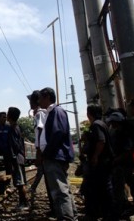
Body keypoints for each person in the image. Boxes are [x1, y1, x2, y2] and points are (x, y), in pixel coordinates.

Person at [38, 87, 77, 221]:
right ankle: (72, 216)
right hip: (55, 155)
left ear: (47, 97)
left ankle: (66, 218)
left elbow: (57, 133)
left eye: (40, 98)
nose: (38, 101)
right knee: (64, 189)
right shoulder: (52, 112)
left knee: (59, 191)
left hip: (55, 156)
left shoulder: (57, 111)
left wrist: (46, 153)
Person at [83, 104, 114, 220]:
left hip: (102, 161)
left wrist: (95, 156)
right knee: (103, 187)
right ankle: (105, 212)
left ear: (89, 113)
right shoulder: (101, 124)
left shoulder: (96, 125)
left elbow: (101, 141)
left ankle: (107, 213)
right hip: (104, 161)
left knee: (104, 187)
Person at [105, 110, 134, 218]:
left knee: (126, 185)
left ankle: (128, 206)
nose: (111, 125)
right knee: (119, 186)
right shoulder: (117, 131)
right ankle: (123, 206)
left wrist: (116, 160)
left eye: (113, 122)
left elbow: (128, 151)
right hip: (120, 163)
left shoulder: (124, 133)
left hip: (125, 164)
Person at [7, 106, 29, 211]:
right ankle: (23, 203)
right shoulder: (17, 127)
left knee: (20, 183)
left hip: (16, 157)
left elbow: (14, 145)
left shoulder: (12, 129)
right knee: (20, 182)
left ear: (9, 116)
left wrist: (13, 157)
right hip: (19, 156)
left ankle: (24, 204)